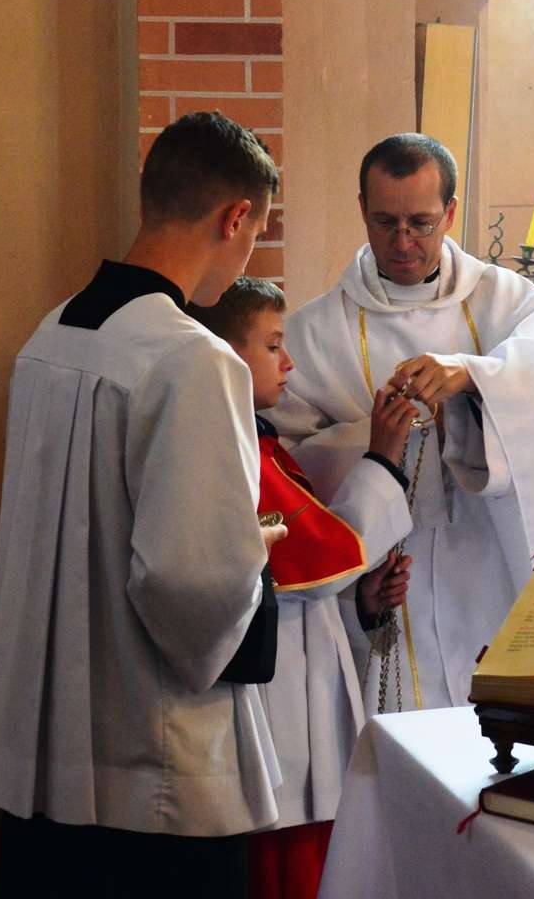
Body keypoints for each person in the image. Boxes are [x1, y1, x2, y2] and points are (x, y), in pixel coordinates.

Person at [0, 112, 289, 898]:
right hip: (152, 769)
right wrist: (251, 558)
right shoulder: (193, 358)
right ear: (235, 217)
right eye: (256, 233)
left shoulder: (51, 335)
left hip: (47, 757)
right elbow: (191, 581)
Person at [265, 132, 534, 715]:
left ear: (450, 213)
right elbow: (283, 463)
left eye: (420, 223)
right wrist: (380, 444)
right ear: (362, 209)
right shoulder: (317, 330)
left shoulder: (503, 301)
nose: (402, 242)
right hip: (390, 571)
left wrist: (472, 378)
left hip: (486, 558)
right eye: (385, 221)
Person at [190, 276, 414, 899]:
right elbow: (325, 553)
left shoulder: (263, 445)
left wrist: (361, 604)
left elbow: (302, 583)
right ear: (225, 357)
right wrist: (384, 456)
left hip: (298, 692)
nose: (288, 362)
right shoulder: (236, 450)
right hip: (276, 706)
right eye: (272, 346)